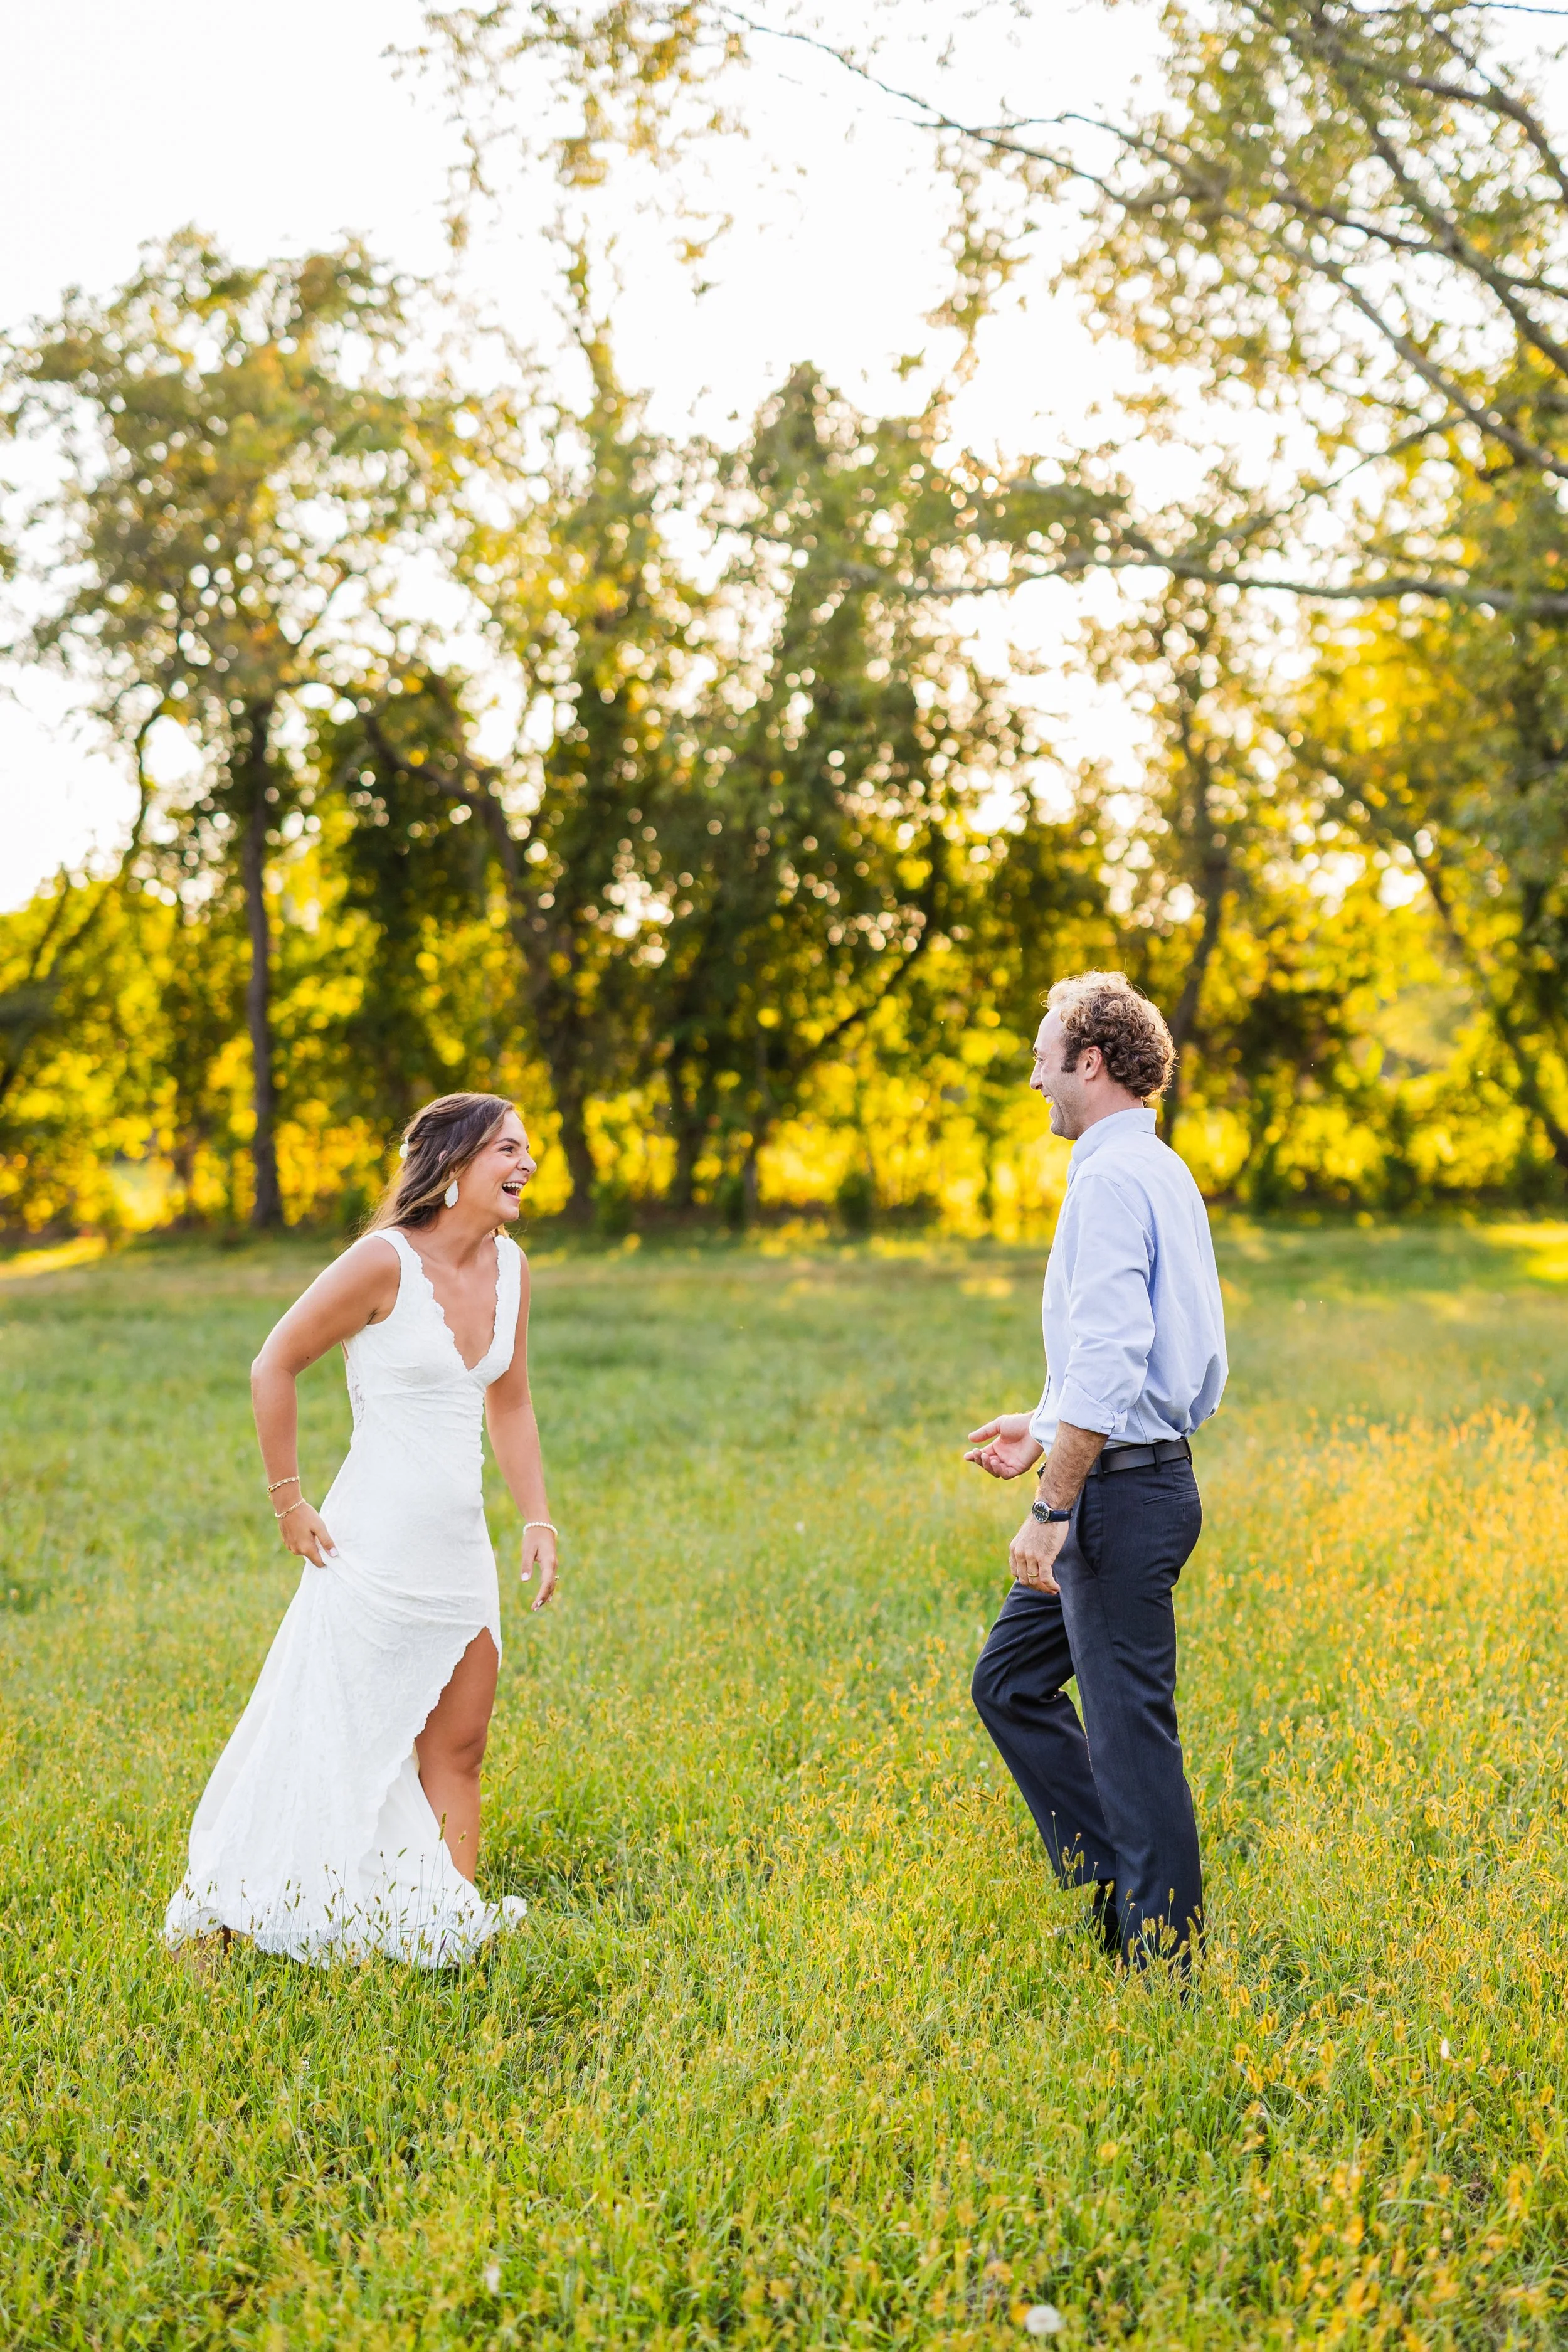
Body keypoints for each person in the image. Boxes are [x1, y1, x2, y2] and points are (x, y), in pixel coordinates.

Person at [164, 1092, 558, 1967]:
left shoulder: (513, 1266)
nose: (527, 1163)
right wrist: (289, 1502)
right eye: (508, 1148)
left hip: (459, 1555)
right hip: (368, 1552)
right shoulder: (382, 1261)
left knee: (460, 1747)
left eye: (529, 1148)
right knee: (327, 1741)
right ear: (455, 1167)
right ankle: (240, 1911)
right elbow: (275, 1362)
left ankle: (446, 1928)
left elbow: (513, 1399)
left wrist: (536, 1515)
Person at [965, 973, 1226, 1970]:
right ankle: (1116, 1877)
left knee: (1129, 1735)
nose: (1034, 1074)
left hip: (1120, 1496)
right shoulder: (1151, 1167)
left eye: (1045, 1054)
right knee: (1010, 1680)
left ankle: (1162, 1961)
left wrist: (1049, 1505)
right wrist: (1041, 1421)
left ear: (1092, 1060)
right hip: (1131, 1473)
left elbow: (1118, 1359)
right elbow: (1121, 1353)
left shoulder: (1115, 1180)